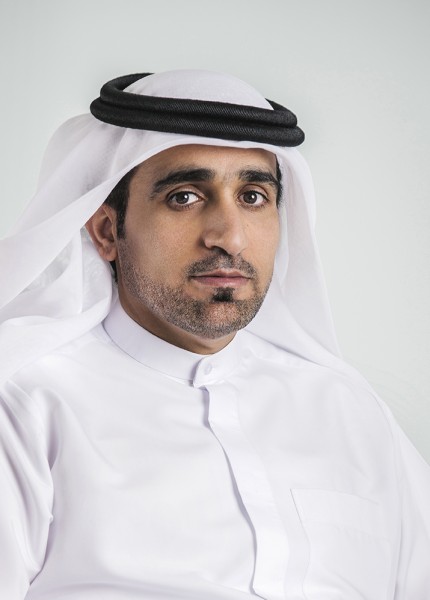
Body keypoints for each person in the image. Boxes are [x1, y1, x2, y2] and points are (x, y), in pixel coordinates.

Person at [0, 70, 429, 600]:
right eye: (184, 197)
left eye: (253, 196)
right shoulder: (24, 403)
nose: (230, 236)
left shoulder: (350, 412)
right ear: (108, 230)